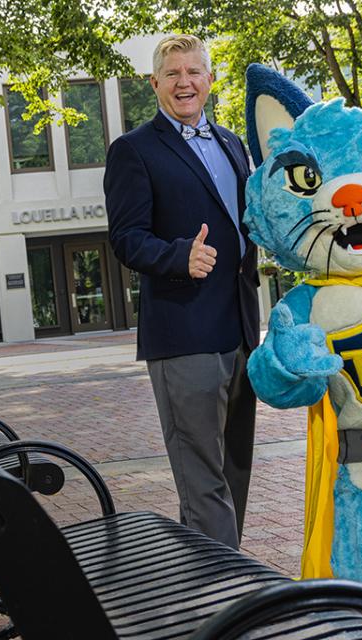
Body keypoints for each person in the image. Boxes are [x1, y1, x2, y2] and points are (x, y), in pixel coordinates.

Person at [103, 34, 260, 550]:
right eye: (172, 74)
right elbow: (126, 239)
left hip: (239, 329)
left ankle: (221, 573)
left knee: (235, 465)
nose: (184, 82)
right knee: (202, 477)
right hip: (183, 331)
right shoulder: (133, 150)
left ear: (210, 81)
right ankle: (223, 596)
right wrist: (178, 256)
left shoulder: (233, 144)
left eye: (194, 72)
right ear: (154, 84)